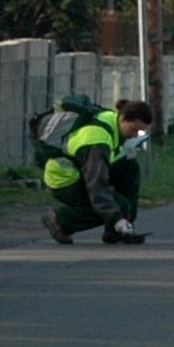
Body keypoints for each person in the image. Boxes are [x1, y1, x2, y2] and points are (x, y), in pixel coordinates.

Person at [42, 99, 154, 245]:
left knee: (130, 167)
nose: (135, 136)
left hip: (82, 171)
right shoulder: (96, 141)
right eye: (134, 130)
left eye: (140, 132)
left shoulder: (112, 120)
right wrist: (115, 217)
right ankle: (59, 219)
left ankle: (119, 230)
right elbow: (97, 186)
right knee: (117, 206)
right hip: (64, 179)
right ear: (123, 119)